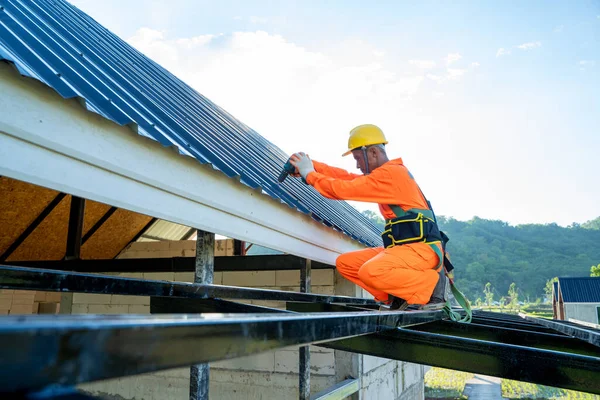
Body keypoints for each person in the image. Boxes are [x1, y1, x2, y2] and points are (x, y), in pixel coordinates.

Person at [289, 124, 447, 310]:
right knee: (346, 264)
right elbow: (348, 178)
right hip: (406, 249)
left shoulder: (391, 174)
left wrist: (310, 174)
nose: (357, 164)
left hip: (421, 251)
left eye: (357, 158)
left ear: (372, 152)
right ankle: (395, 295)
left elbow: (341, 189)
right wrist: (313, 166)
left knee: (370, 271)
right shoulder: (386, 175)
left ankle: (428, 285)